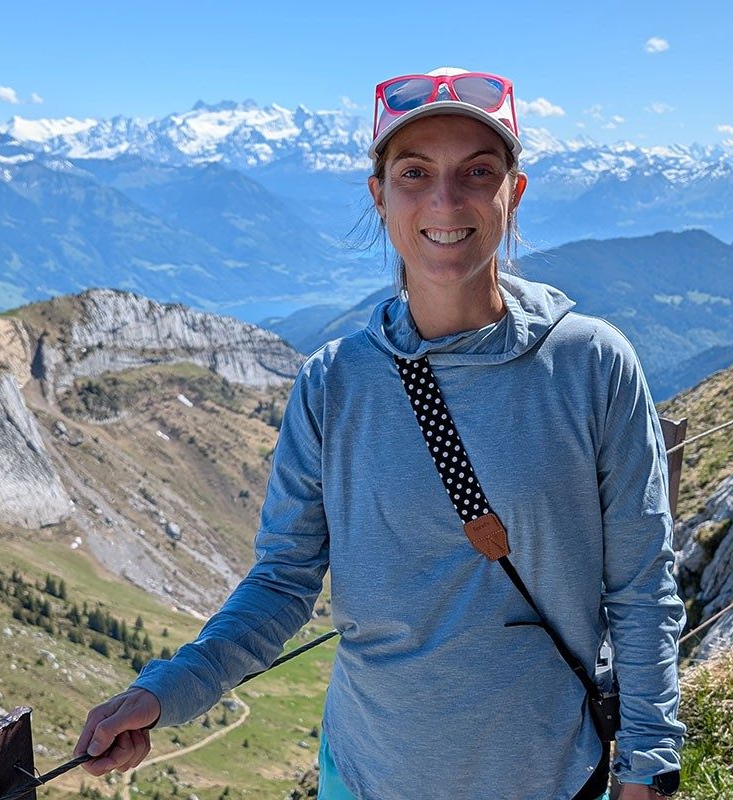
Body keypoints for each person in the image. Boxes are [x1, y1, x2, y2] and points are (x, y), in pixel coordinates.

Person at [74, 68, 686, 800]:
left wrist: (649, 764)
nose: (444, 201)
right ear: (380, 196)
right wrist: (168, 691)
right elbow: (282, 580)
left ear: (512, 194)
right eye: (414, 173)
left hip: (551, 777)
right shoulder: (334, 383)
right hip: (365, 779)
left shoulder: (591, 364)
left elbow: (642, 586)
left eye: (477, 172)